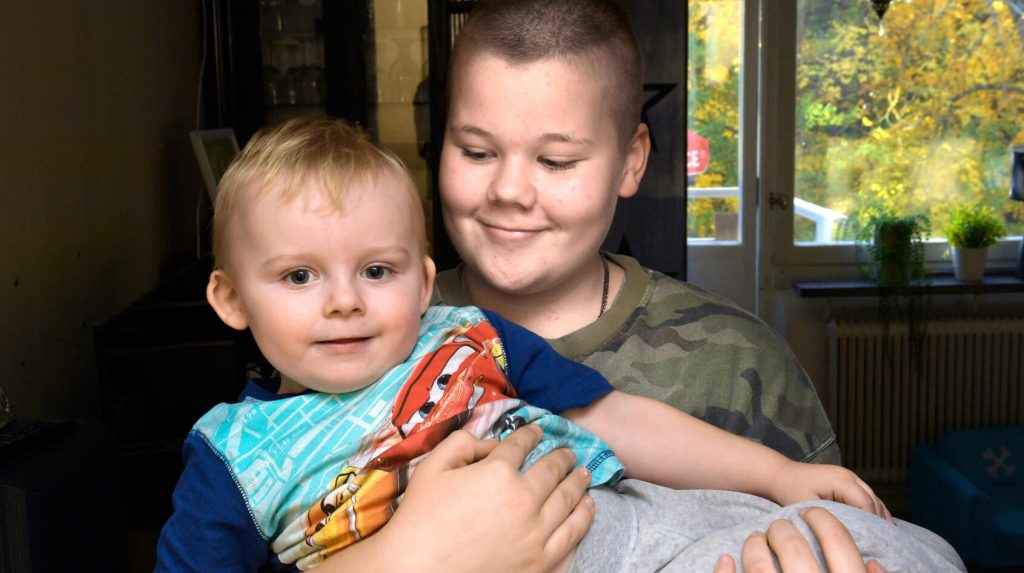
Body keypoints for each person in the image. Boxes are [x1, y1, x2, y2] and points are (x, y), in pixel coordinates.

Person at [155, 116, 892, 572]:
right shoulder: (232, 458)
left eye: (377, 270)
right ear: (231, 298)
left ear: (423, 283)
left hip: (625, 532)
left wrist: (779, 475)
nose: (344, 299)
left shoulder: (467, 335)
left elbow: (615, 418)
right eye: (298, 275)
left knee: (866, 545)